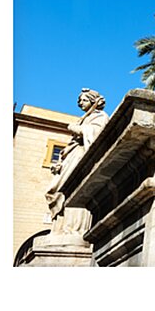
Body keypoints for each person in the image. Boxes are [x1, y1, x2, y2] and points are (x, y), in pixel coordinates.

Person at [45, 88, 109, 231]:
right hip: (72, 155)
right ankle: (58, 227)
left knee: (70, 188)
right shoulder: (85, 118)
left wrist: (76, 129)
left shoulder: (100, 116)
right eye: (79, 100)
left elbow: (97, 134)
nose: (80, 103)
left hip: (82, 154)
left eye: (84, 100)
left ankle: (71, 228)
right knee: (56, 189)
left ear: (93, 101)